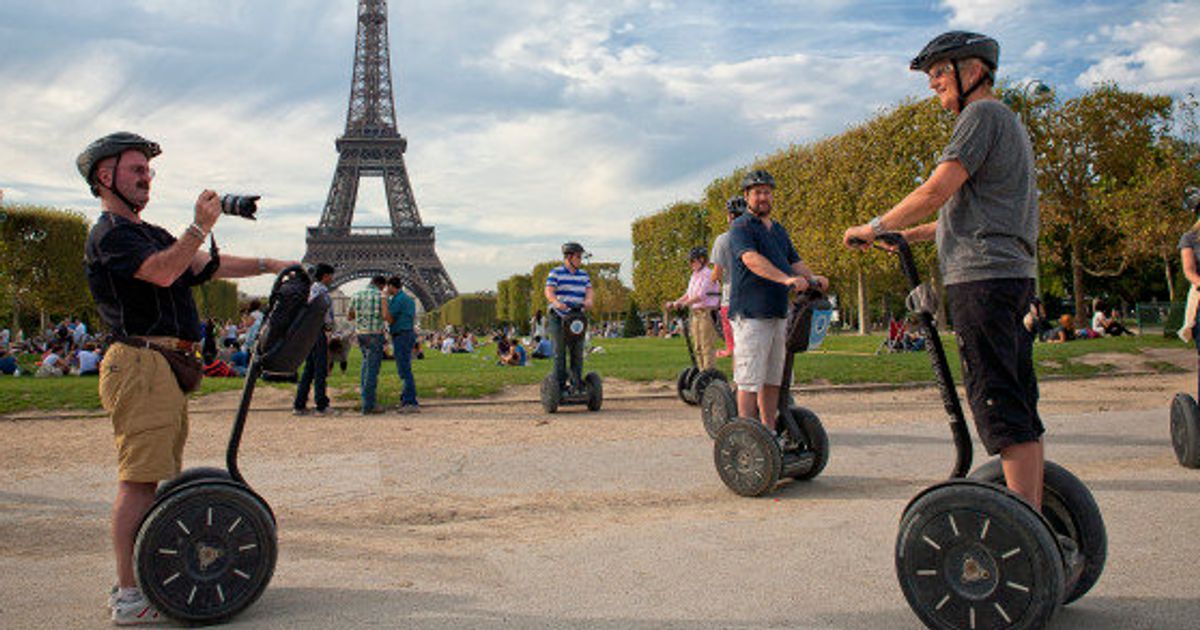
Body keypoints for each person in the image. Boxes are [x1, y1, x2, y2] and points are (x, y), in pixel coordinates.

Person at [77, 131, 293, 623]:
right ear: (105, 177)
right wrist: (198, 226)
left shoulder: (144, 230)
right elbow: (160, 272)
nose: (146, 178)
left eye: (149, 171)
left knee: (150, 479)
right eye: (136, 170)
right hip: (140, 362)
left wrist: (271, 265)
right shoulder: (111, 233)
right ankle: (129, 597)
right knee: (138, 482)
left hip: (163, 365)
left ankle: (140, 580)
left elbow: (200, 266)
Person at [842, 32, 1046, 509]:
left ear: (972, 71)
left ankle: (1025, 524)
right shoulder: (1008, 122)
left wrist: (874, 226)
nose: (935, 88)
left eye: (939, 75)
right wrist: (905, 236)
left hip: (983, 280)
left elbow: (938, 190)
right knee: (1015, 398)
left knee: (997, 399)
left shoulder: (980, 115)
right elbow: (967, 214)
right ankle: (1032, 510)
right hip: (1010, 274)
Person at [728, 169, 828, 434]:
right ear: (747, 196)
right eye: (757, 192)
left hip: (779, 313)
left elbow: (795, 261)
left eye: (767, 192)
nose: (763, 197)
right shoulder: (740, 227)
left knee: (774, 378)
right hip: (751, 315)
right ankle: (747, 434)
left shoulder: (778, 230)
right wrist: (786, 280)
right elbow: (750, 258)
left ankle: (769, 430)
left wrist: (812, 277)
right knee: (749, 378)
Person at [544, 242, 594, 390]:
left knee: (577, 352)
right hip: (559, 317)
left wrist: (589, 300)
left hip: (577, 316)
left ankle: (576, 384)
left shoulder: (583, 275)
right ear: (569, 257)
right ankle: (559, 386)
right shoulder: (556, 272)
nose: (581, 260)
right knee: (560, 352)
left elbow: (589, 290)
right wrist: (556, 302)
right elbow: (549, 290)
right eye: (578, 257)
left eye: (581, 257)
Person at [665, 246, 721, 373]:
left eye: (693, 261)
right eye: (690, 261)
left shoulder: (708, 274)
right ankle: (702, 373)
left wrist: (685, 304)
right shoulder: (695, 275)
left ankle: (709, 374)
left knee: (707, 345)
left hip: (706, 313)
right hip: (695, 313)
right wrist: (676, 302)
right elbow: (689, 294)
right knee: (697, 346)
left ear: (702, 260)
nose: (690, 264)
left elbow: (701, 295)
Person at [293, 263, 336, 416]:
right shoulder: (322, 292)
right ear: (325, 276)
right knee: (320, 370)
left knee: (309, 370)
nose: (332, 279)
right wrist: (330, 329)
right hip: (318, 332)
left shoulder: (310, 289)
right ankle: (321, 406)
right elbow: (326, 316)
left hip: (307, 333)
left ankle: (299, 404)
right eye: (331, 276)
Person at [347, 275, 391, 415]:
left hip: (361, 334)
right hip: (375, 334)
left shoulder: (356, 295)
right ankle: (368, 405)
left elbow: (350, 316)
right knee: (372, 369)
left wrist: (361, 315)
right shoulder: (381, 296)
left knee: (365, 365)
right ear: (381, 285)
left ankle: (365, 399)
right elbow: (385, 316)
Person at [711, 196, 747, 359]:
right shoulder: (756, 236)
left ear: (729, 216)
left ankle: (730, 349)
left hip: (731, 294)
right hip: (754, 294)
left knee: (730, 329)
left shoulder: (722, 240)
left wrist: (712, 280)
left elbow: (717, 273)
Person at [386, 275, 420, 413]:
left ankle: (410, 402)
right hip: (407, 334)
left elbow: (389, 318)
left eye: (387, 287)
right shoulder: (407, 299)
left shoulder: (397, 299)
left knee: (404, 369)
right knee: (405, 368)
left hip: (402, 335)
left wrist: (383, 301)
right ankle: (406, 398)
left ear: (391, 286)